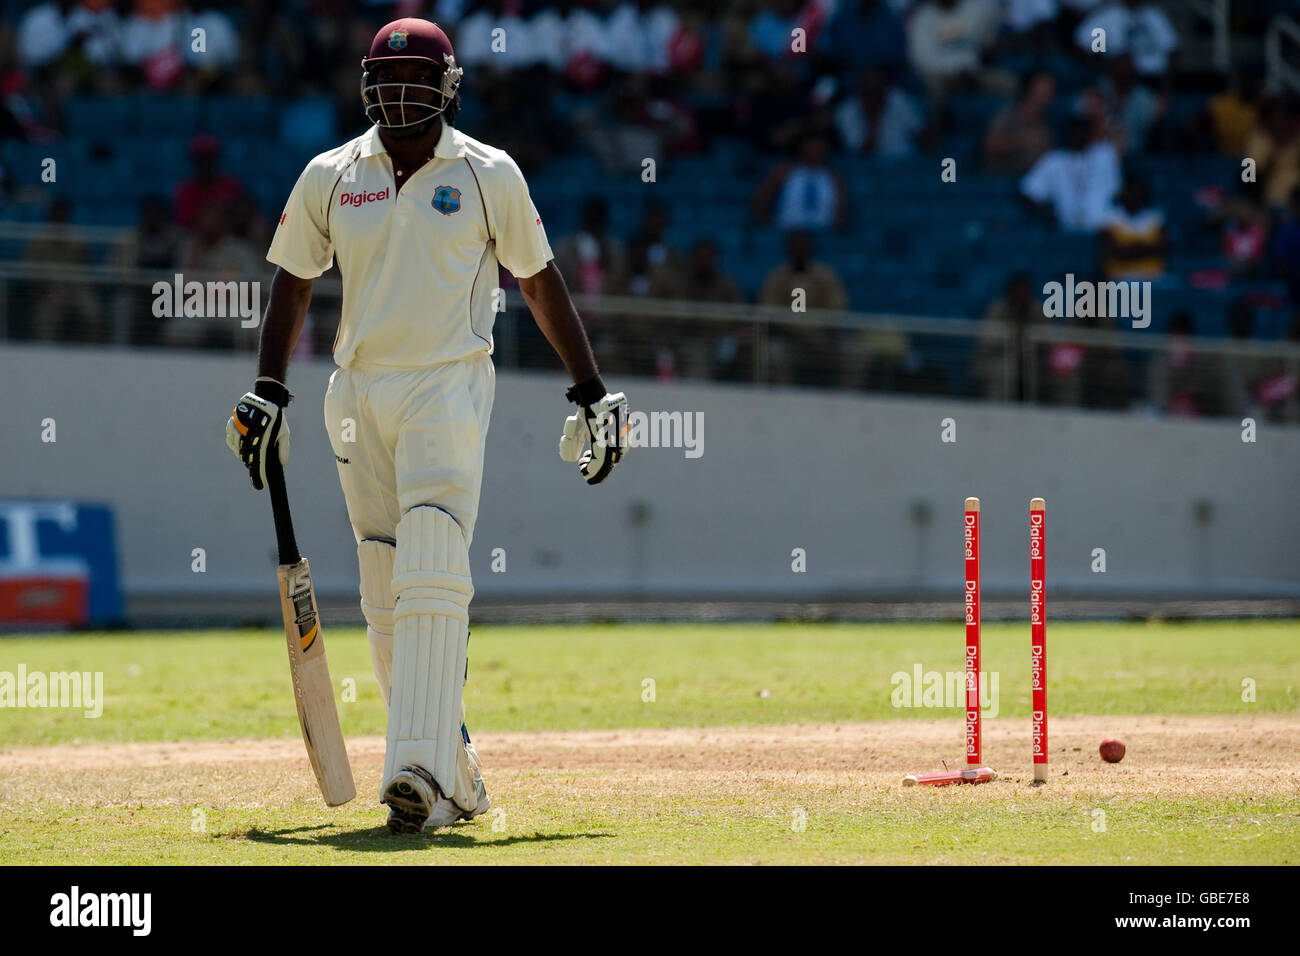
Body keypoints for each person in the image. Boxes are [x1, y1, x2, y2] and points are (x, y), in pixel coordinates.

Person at [225, 19, 628, 835]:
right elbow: (293, 281)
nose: (401, 93)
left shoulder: (489, 173)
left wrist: (589, 388)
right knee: (382, 581)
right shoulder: (331, 174)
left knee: (432, 554)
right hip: (357, 390)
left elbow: (540, 281)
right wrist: (268, 390)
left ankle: (415, 772)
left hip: (448, 384)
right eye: (388, 77)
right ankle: (455, 772)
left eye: (417, 78)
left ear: (448, 88)